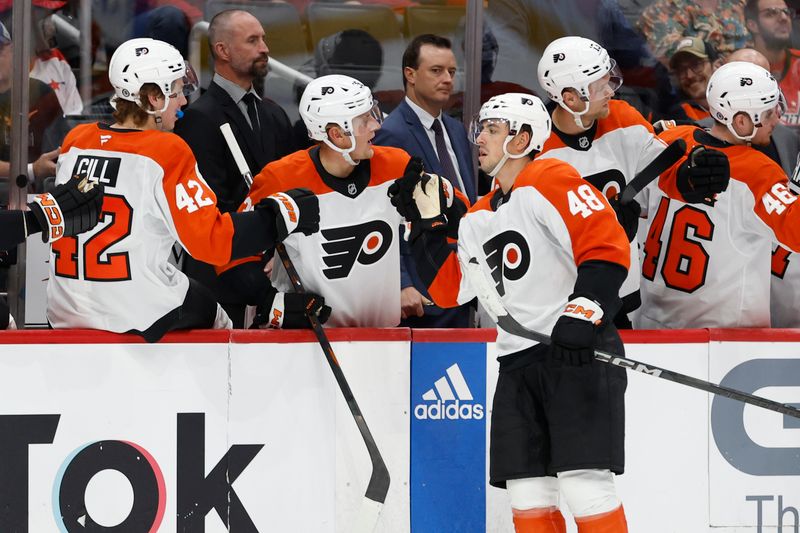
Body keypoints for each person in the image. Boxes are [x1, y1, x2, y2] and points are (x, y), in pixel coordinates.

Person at [388, 93, 631, 531]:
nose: (478, 139)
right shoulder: (479, 216)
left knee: (585, 486)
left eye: (491, 130)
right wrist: (425, 231)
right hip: (517, 361)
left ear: (521, 139)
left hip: (575, 352)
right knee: (528, 492)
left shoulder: (551, 175)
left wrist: (584, 311)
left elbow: (605, 243)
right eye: (480, 129)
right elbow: (451, 291)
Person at [46, 37, 320, 342]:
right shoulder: (166, 150)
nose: (184, 101)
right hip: (133, 311)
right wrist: (282, 215)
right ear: (152, 98)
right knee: (218, 318)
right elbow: (211, 242)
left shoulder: (76, 140)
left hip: (64, 308)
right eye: (175, 91)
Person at [218, 74, 455, 329]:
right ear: (337, 134)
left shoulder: (396, 165)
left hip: (383, 338)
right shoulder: (281, 179)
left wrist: (439, 199)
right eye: (365, 120)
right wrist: (271, 302)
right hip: (305, 341)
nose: (376, 125)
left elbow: (460, 214)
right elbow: (228, 253)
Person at [535, 36, 730, 328]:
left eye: (608, 78)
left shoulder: (623, 118)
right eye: (600, 85)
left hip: (621, 300)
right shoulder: (537, 148)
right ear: (571, 97)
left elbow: (661, 173)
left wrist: (691, 178)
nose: (611, 90)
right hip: (561, 305)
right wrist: (603, 225)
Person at [637, 61, 800, 328]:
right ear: (741, 121)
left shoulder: (671, 139)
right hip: (724, 339)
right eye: (769, 112)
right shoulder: (757, 172)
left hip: (652, 324)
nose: (777, 118)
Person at [173, 9, 295, 326]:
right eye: (252, 40)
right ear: (222, 50)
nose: (264, 48)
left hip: (276, 274)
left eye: (264, 39)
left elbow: (290, 189)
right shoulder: (199, 118)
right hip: (223, 284)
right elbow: (213, 205)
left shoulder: (275, 115)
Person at [372, 34, 476, 328]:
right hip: (423, 289)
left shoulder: (455, 130)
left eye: (452, 72)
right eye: (436, 70)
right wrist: (402, 282)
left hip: (464, 279)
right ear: (410, 74)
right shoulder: (390, 134)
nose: (447, 79)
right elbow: (384, 216)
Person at [0, 20, 62, 185]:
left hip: (36, 195)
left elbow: (58, 152)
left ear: (12, 50)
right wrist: (31, 170)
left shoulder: (41, 94)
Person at [637, 0, 751, 64]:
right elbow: (671, 63)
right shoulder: (660, 12)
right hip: (693, 94)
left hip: (750, 83)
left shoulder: (741, 5)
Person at [745, 0, 800, 128]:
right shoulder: (739, 68)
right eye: (771, 13)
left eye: (786, 12)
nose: (783, 18)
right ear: (752, 25)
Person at [666, 36, 722, 121]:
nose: (689, 75)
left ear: (717, 65)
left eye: (696, 65)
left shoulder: (740, 101)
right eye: (681, 70)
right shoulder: (679, 117)